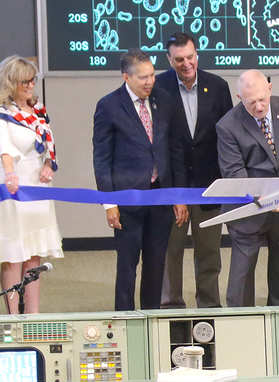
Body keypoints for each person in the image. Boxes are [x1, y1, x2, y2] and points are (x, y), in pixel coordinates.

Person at [93, 49, 185, 311]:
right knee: (127, 265)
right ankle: (124, 319)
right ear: (126, 77)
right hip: (126, 199)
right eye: (143, 77)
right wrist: (108, 203)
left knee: (156, 264)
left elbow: (175, 150)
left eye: (152, 75)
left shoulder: (164, 101)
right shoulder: (109, 106)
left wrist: (177, 196)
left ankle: (150, 317)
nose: (149, 82)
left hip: (160, 197)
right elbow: (101, 159)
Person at [216, 70, 279, 307]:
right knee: (240, 284)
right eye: (251, 102)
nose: (260, 107)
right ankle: (240, 326)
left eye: (263, 99)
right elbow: (234, 173)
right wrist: (265, 199)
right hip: (250, 210)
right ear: (239, 98)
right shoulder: (227, 126)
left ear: (270, 89)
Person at [156, 32, 233, 309]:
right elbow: (159, 142)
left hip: (209, 186)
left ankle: (210, 305)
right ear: (169, 60)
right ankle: (170, 306)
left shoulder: (218, 86)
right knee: (170, 252)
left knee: (209, 253)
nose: (186, 64)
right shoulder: (159, 87)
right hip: (173, 187)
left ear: (197, 54)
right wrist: (173, 193)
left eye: (190, 57)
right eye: (179, 59)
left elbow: (228, 138)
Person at [0, 56, 62, 313]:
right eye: (25, 81)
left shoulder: (37, 109)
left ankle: (33, 315)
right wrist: (10, 175)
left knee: (34, 252)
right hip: (11, 186)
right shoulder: (0, 112)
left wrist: (49, 164)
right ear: (11, 83)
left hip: (35, 186)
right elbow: (4, 147)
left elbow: (48, 141)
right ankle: (13, 317)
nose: (31, 86)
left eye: (33, 80)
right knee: (13, 253)